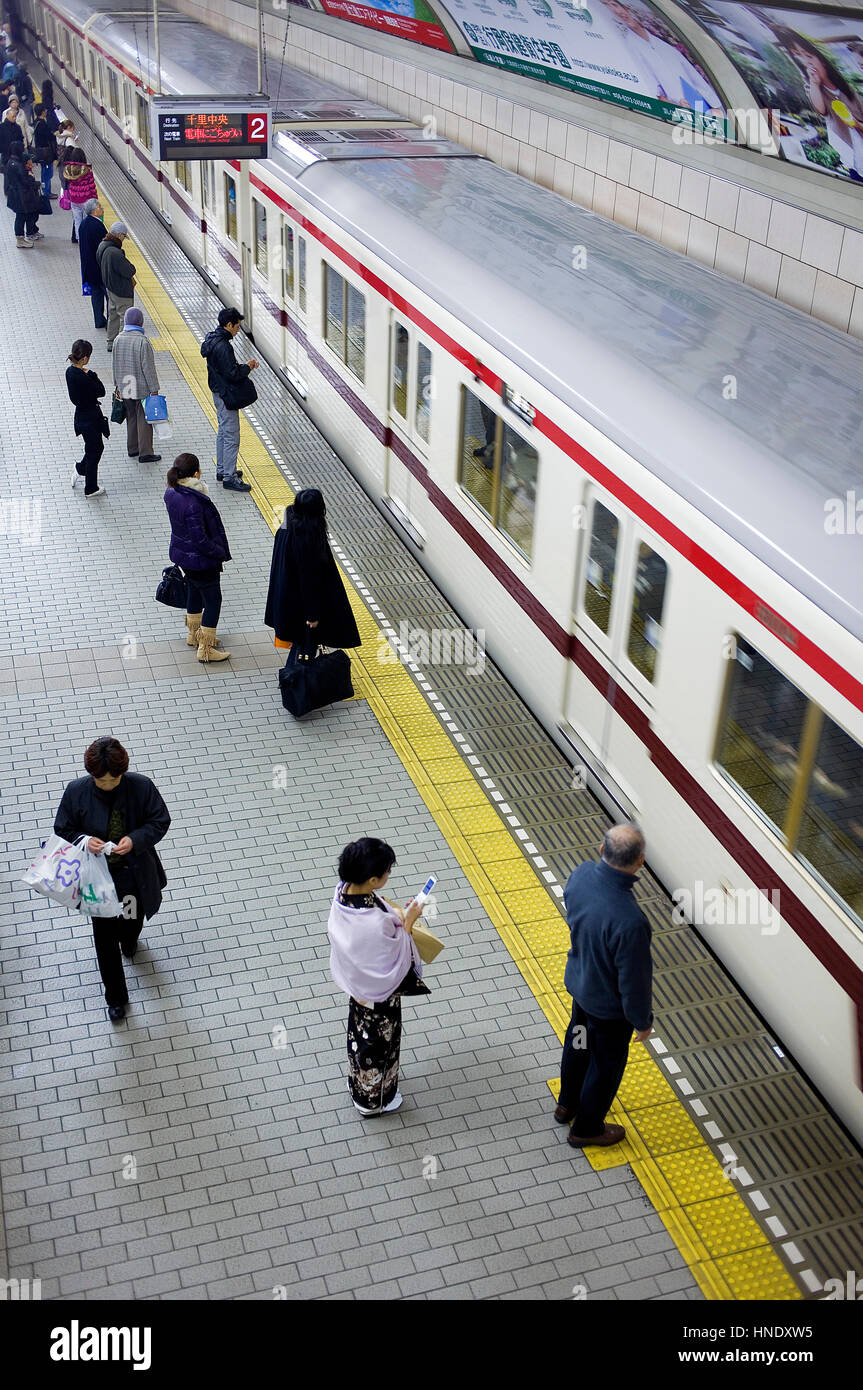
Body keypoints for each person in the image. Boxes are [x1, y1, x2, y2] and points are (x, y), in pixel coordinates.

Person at [53, 737, 170, 1022]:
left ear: (122, 772)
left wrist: (135, 840)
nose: (106, 784)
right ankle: (116, 998)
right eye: (100, 780)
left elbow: (159, 820)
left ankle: (129, 940)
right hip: (98, 883)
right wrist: (83, 841)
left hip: (130, 878)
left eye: (112, 780)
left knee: (131, 920)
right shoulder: (76, 792)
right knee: (105, 940)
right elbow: (63, 828)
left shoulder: (141, 787)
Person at [555, 824, 654, 1148]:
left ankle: (566, 1103)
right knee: (605, 1067)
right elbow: (633, 981)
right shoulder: (631, 921)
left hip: (581, 988)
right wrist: (641, 1021)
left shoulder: (580, 876)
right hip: (609, 1012)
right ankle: (586, 1129)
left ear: (601, 850)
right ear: (639, 862)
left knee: (578, 1043)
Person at [327, 838, 427, 1116]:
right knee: (380, 1043)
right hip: (380, 996)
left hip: (358, 988)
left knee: (359, 1037)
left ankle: (359, 1085)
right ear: (372, 879)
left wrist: (397, 915)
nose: (388, 874)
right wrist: (408, 922)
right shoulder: (371, 923)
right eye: (386, 872)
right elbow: (395, 953)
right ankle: (374, 1100)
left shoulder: (343, 893)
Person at [264, 488, 361, 653]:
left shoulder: (285, 528)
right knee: (304, 648)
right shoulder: (307, 540)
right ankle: (296, 677)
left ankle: (296, 674)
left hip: (286, 598)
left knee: (299, 645)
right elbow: (309, 581)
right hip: (300, 606)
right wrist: (313, 616)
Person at [163, 453, 232, 661]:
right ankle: (206, 649)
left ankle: (193, 634)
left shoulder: (171, 493)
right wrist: (218, 551)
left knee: (193, 590)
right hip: (200, 560)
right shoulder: (193, 501)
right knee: (213, 600)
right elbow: (200, 539)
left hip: (183, 556)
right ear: (196, 473)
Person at [200, 307, 259, 492]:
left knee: (223, 432)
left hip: (218, 391)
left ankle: (222, 469)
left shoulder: (212, 338)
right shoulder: (224, 346)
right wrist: (248, 367)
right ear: (228, 325)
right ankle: (229, 477)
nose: (238, 330)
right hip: (226, 394)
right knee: (232, 435)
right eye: (237, 326)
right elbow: (232, 373)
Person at [112, 306, 161, 462]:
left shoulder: (118, 339)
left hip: (125, 385)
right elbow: (148, 368)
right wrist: (154, 389)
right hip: (141, 386)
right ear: (140, 322)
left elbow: (115, 364)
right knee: (144, 419)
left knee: (131, 416)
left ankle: (132, 448)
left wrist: (117, 385)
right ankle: (145, 452)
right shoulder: (142, 342)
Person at [66, 339, 108, 498]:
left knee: (94, 448)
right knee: (94, 450)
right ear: (84, 358)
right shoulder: (83, 376)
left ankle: (80, 469)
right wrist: (91, 374)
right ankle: (90, 488)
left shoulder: (70, 372)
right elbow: (101, 390)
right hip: (90, 418)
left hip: (81, 417)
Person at [96, 222, 136, 350]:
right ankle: (124, 345)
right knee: (125, 317)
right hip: (121, 291)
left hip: (110, 288)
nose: (124, 239)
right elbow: (129, 270)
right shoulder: (115, 253)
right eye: (124, 236)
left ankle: (111, 342)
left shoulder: (102, 245)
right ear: (119, 235)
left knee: (112, 316)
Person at [79, 198, 107, 328]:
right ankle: (112, 321)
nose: (102, 209)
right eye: (100, 207)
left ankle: (99, 320)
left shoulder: (83, 224)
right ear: (94, 211)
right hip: (99, 268)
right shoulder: (97, 226)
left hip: (88, 268)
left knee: (96, 295)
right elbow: (103, 247)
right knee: (108, 295)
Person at [60, 145, 97, 242]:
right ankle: (87, 239)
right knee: (87, 221)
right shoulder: (87, 171)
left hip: (74, 200)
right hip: (86, 200)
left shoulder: (68, 170)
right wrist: (95, 199)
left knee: (77, 221)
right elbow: (91, 186)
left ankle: (80, 239)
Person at [5, 147, 40, 248]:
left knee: (21, 217)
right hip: (20, 197)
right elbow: (25, 183)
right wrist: (32, 178)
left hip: (18, 196)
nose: (31, 165)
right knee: (20, 217)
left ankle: (22, 238)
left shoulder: (12, 164)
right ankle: (20, 240)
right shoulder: (20, 169)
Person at [31, 101, 57, 199]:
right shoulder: (42, 124)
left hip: (40, 151)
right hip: (45, 153)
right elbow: (49, 137)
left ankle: (46, 190)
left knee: (44, 171)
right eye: (45, 110)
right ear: (42, 112)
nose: (46, 111)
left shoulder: (36, 122)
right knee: (47, 172)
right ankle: (46, 192)